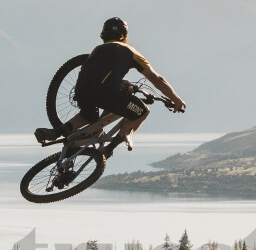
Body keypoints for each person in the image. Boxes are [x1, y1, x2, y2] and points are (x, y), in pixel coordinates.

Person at [34, 17, 185, 154]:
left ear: (103, 35)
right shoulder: (131, 51)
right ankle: (109, 149)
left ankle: (56, 132)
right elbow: (156, 78)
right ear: (125, 36)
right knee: (142, 111)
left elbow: (99, 75)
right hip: (106, 94)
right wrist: (176, 99)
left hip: (81, 90)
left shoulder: (96, 50)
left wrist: (121, 83)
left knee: (88, 116)